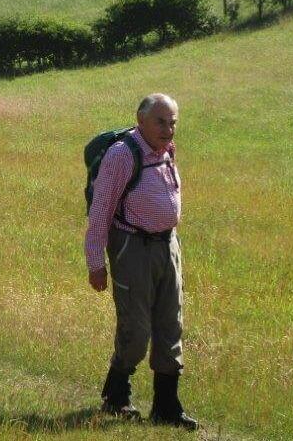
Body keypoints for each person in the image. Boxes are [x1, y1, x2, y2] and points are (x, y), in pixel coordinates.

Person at [84, 93, 198, 430]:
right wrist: (96, 263)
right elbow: (101, 210)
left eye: (173, 123)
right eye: (161, 122)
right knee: (136, 330)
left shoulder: (166, 152)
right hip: (132, 248)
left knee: (170, 324)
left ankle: (167, 406)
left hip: (168, 246)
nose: (168, 130)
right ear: (141, 120)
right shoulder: (122, 156)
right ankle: (117, 394)